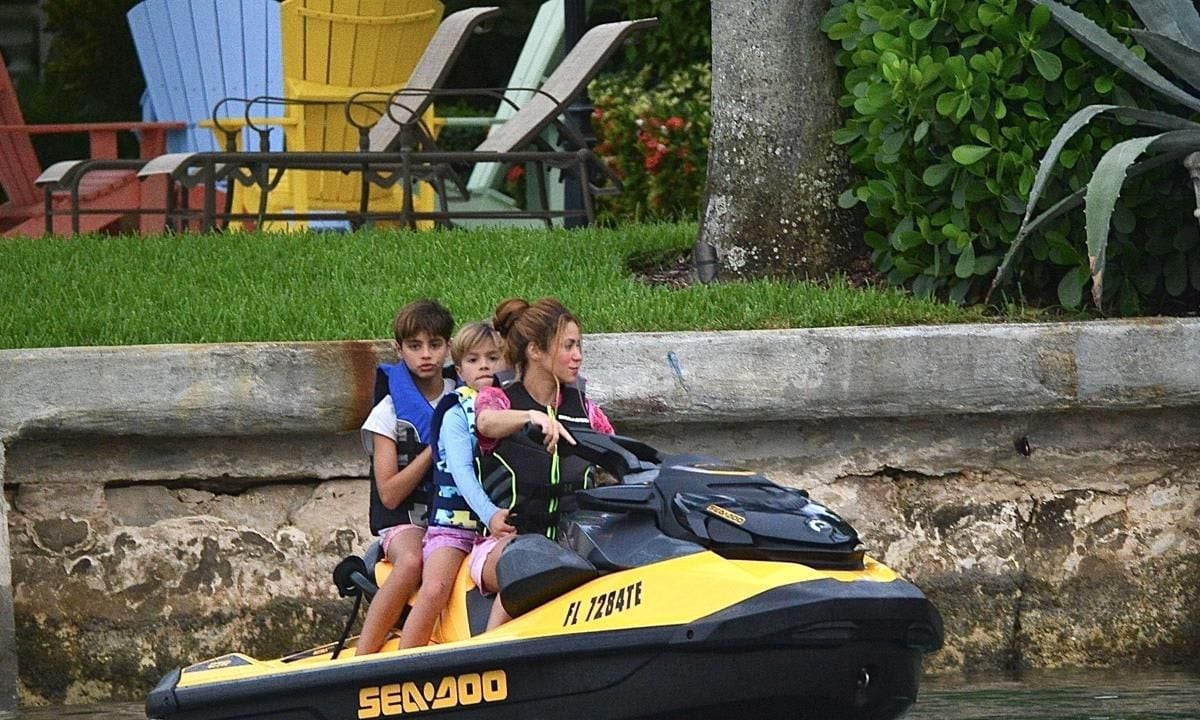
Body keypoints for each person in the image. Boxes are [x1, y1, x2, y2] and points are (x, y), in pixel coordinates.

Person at [469, 297, 614, 631]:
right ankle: (490, 653)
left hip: (568, 545)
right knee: (533, 563)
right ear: (535, 351)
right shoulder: (499, 399)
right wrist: (529, 417)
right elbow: (486, 423)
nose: (578, 355)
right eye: (567, 346)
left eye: (579, 345)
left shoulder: (585, 409)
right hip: (504, 546)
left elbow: (615, 449)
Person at [397, 321, 516, 649]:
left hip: (493, 528)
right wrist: (490, 514)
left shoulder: (507, 406)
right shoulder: (455, 409)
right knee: (435, 589)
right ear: (460, 369)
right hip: (455, 526)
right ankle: (400, 663)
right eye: (474, 360)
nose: (485, 366)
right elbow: (462, 472)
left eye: (492, 358)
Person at [355, 299, 455, 655]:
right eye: (415, 346)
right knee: (413, 561)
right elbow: (390, 495)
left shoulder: (466, 398)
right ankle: (363, 657)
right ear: (399, 349)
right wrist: (435, 448)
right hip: (406, 523)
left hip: (454, 521)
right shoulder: (387, 413)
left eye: (435, 344)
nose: (426, 355)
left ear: (448, 347)